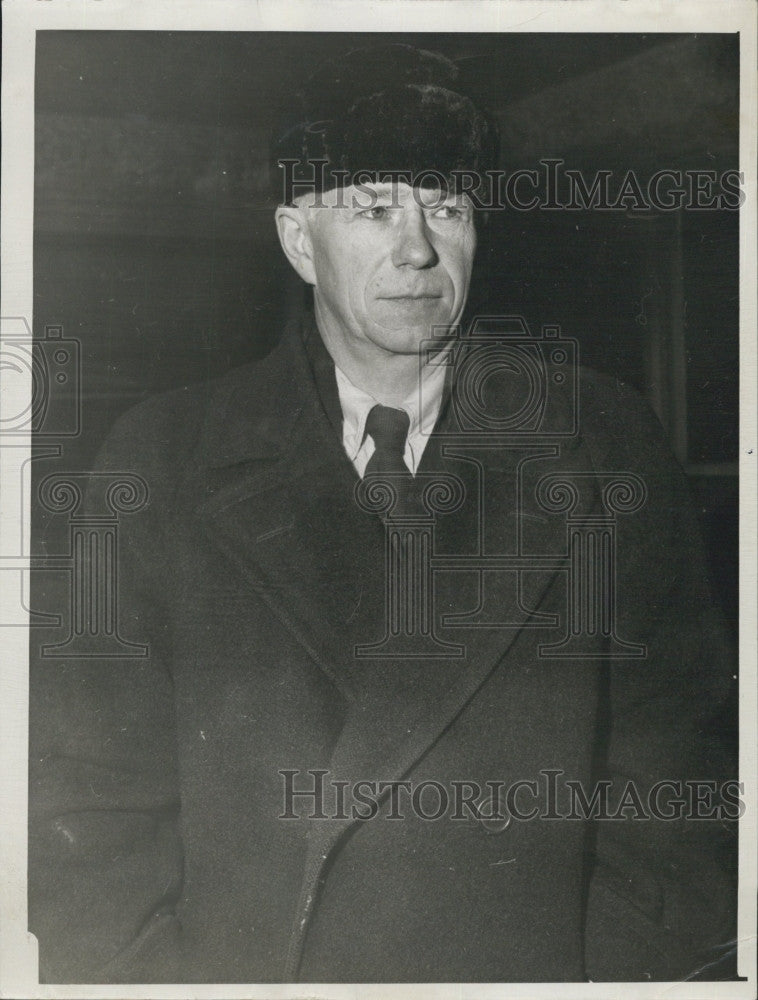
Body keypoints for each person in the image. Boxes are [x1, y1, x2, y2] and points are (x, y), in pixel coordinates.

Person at [29, 43, 735, 984]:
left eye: (447, 208)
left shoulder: (602, 443)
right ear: (295, 239)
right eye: (374, 209)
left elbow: (677, 790)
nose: (419, 249)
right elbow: (93, 815)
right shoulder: (161, 460)